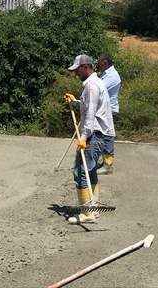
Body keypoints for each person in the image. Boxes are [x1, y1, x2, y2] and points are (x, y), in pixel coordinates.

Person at [64, 54, 115, 224]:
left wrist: (84, 137)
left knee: (81, 171)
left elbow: (91, 116)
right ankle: (93, 209)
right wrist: (77, 102)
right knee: (90, 170)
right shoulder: (94, 84)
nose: (75, 74)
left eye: (77, 70)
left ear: (86, 67)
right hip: (100, 133)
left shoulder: (92, 86)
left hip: (94, 134)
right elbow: (90, 107)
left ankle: (87, 213)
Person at [96, 54, 121, 175]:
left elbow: (99, 89)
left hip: (109, 110)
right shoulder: (106, 74)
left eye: (99, 63)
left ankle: (108, 166)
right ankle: (104, 162)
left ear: (105, 63)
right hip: (104, 109)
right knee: (102, 136)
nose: (98, 65)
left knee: (107, 136)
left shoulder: (112, 76)